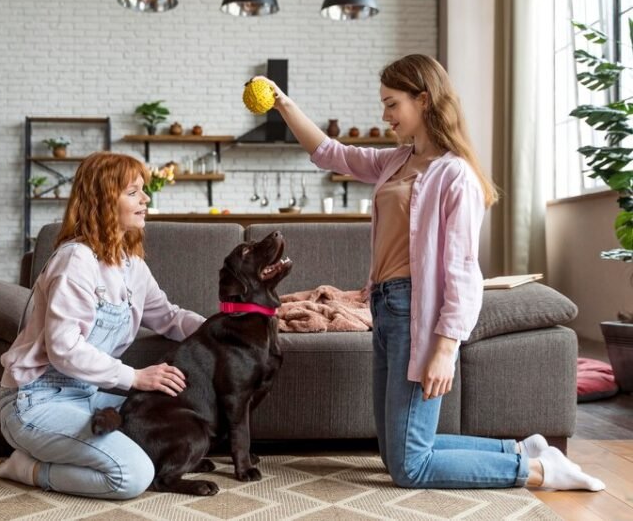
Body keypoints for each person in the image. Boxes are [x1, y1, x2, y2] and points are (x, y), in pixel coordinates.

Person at [255, 54, 605, 492]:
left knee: (410, 467)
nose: (384, 116)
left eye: (391, 104)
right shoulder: (395, 162)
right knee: (395, 452)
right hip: (384, 307)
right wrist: (283, 103)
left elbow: (462, 270)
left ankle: (540, 472)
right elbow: (331, 154)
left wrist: (445, 347)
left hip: (416, 312)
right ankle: (523, 449)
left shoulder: (454, 175)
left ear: (423, 100)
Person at [0, 152, 206, 499]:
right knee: (133, 475)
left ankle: (62, 452)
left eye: (143, 191)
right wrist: (135, 377)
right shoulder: (75, 260)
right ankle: (28, 468)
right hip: (36, 402)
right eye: (133, 192)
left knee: (170, 425)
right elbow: (64, 350)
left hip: (88, 397)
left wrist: (225, 328)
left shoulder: (130, 264)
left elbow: (169, 317)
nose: (146, 199)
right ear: (105, 200)